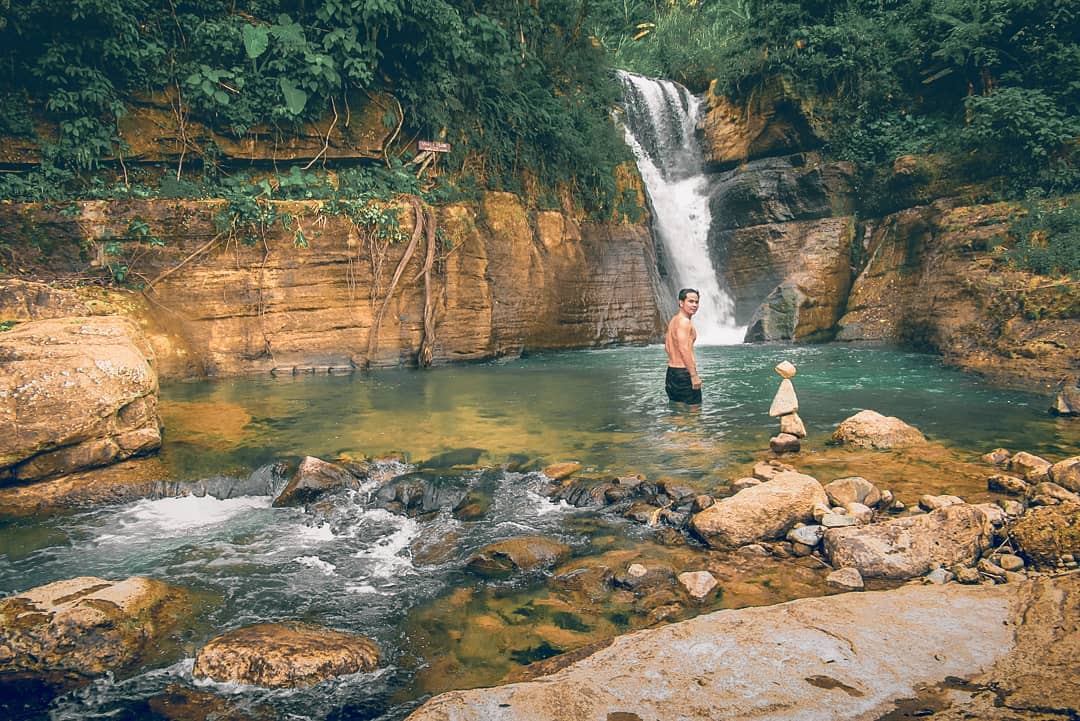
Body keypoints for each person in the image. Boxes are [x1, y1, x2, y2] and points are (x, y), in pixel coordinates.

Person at [664, 288, 701, 404]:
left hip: (671, 373)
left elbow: (667, 347)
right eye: (690, 301)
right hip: (684, 373)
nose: (694, 305)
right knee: (693, 414)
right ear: (681, 302)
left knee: (679, 414)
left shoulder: (673, 321)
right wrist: (694, 375)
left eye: (696, 302)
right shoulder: (684, 322)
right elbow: (684, 349)